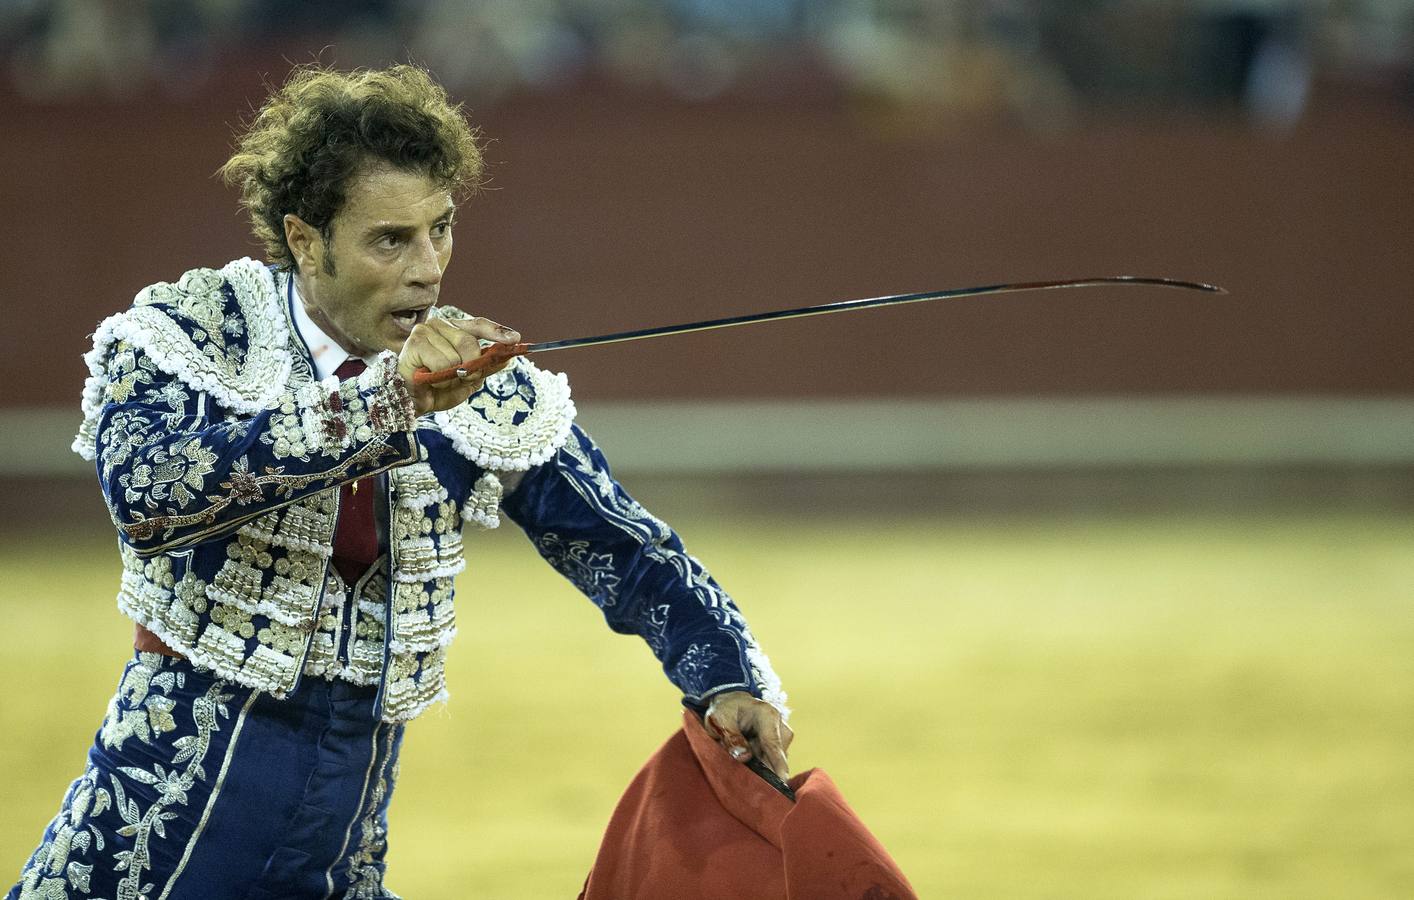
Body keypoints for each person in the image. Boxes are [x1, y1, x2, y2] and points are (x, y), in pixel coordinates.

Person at [8, 64, 791, 900]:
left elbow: (619, 546)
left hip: (340, 850)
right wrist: (383, 404)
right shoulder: (190, 338)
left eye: (441, 230)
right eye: (391, 240)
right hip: (155, 841)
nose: (430, 271)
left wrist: (724, 673)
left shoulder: (472, 381)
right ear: (306, 239)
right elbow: (149, 499)